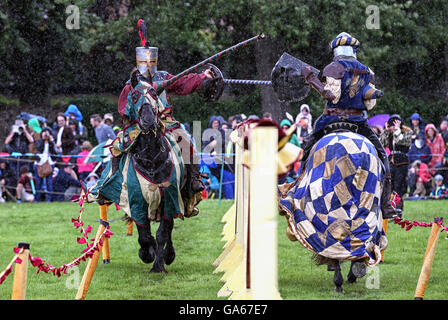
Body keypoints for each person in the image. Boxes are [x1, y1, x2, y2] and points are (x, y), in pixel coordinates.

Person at [298, 32, 399, 218]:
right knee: (382, 154)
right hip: (357, 121)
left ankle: (297, 191)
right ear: (354, 49)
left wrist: (311, 78)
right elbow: (370, 104)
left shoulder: (333, 67)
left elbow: (331, 96)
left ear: (335, 49)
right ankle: (386, 204)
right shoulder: (367, 71)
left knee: (307, 147)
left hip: (331, 119)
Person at [380, 115, 412, 208]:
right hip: (391, 162)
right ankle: (391, 208)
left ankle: (398, 209)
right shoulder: (389, 133)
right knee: (390, 186)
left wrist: (397, 130)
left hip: (402, 162)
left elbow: (401, 142)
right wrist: (386, 131)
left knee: (399, 187)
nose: (392, 127)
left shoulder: (407, 132)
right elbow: (382, 143)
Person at [33, 127, 56, 202]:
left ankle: (49, 199)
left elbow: (54, 152)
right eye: (44, 132)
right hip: (39, 164)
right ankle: (37, 199)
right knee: (38, 182)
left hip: (49, 164)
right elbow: (39, 149)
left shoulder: (51, 142)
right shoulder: (39, 141)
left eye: (47, 132)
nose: (46, 134)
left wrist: (51, 141)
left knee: (49, 183)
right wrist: (43, 140)